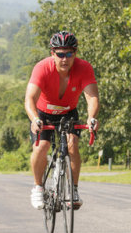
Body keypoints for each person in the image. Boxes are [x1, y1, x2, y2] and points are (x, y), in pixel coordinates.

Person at [24, 31, 99, 210]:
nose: (64, 59)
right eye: (60, 54)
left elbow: (92, 98)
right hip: (43, 113)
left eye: (69, 54)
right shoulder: (42, 68)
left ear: (75, 53)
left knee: (73, 146)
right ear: (53, 54)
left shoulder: (84, 68)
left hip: (68, 112)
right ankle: (38, 187)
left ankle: (73, 189)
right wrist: (34, 119)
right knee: (42, 147)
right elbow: (29, 99)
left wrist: (92, 118)